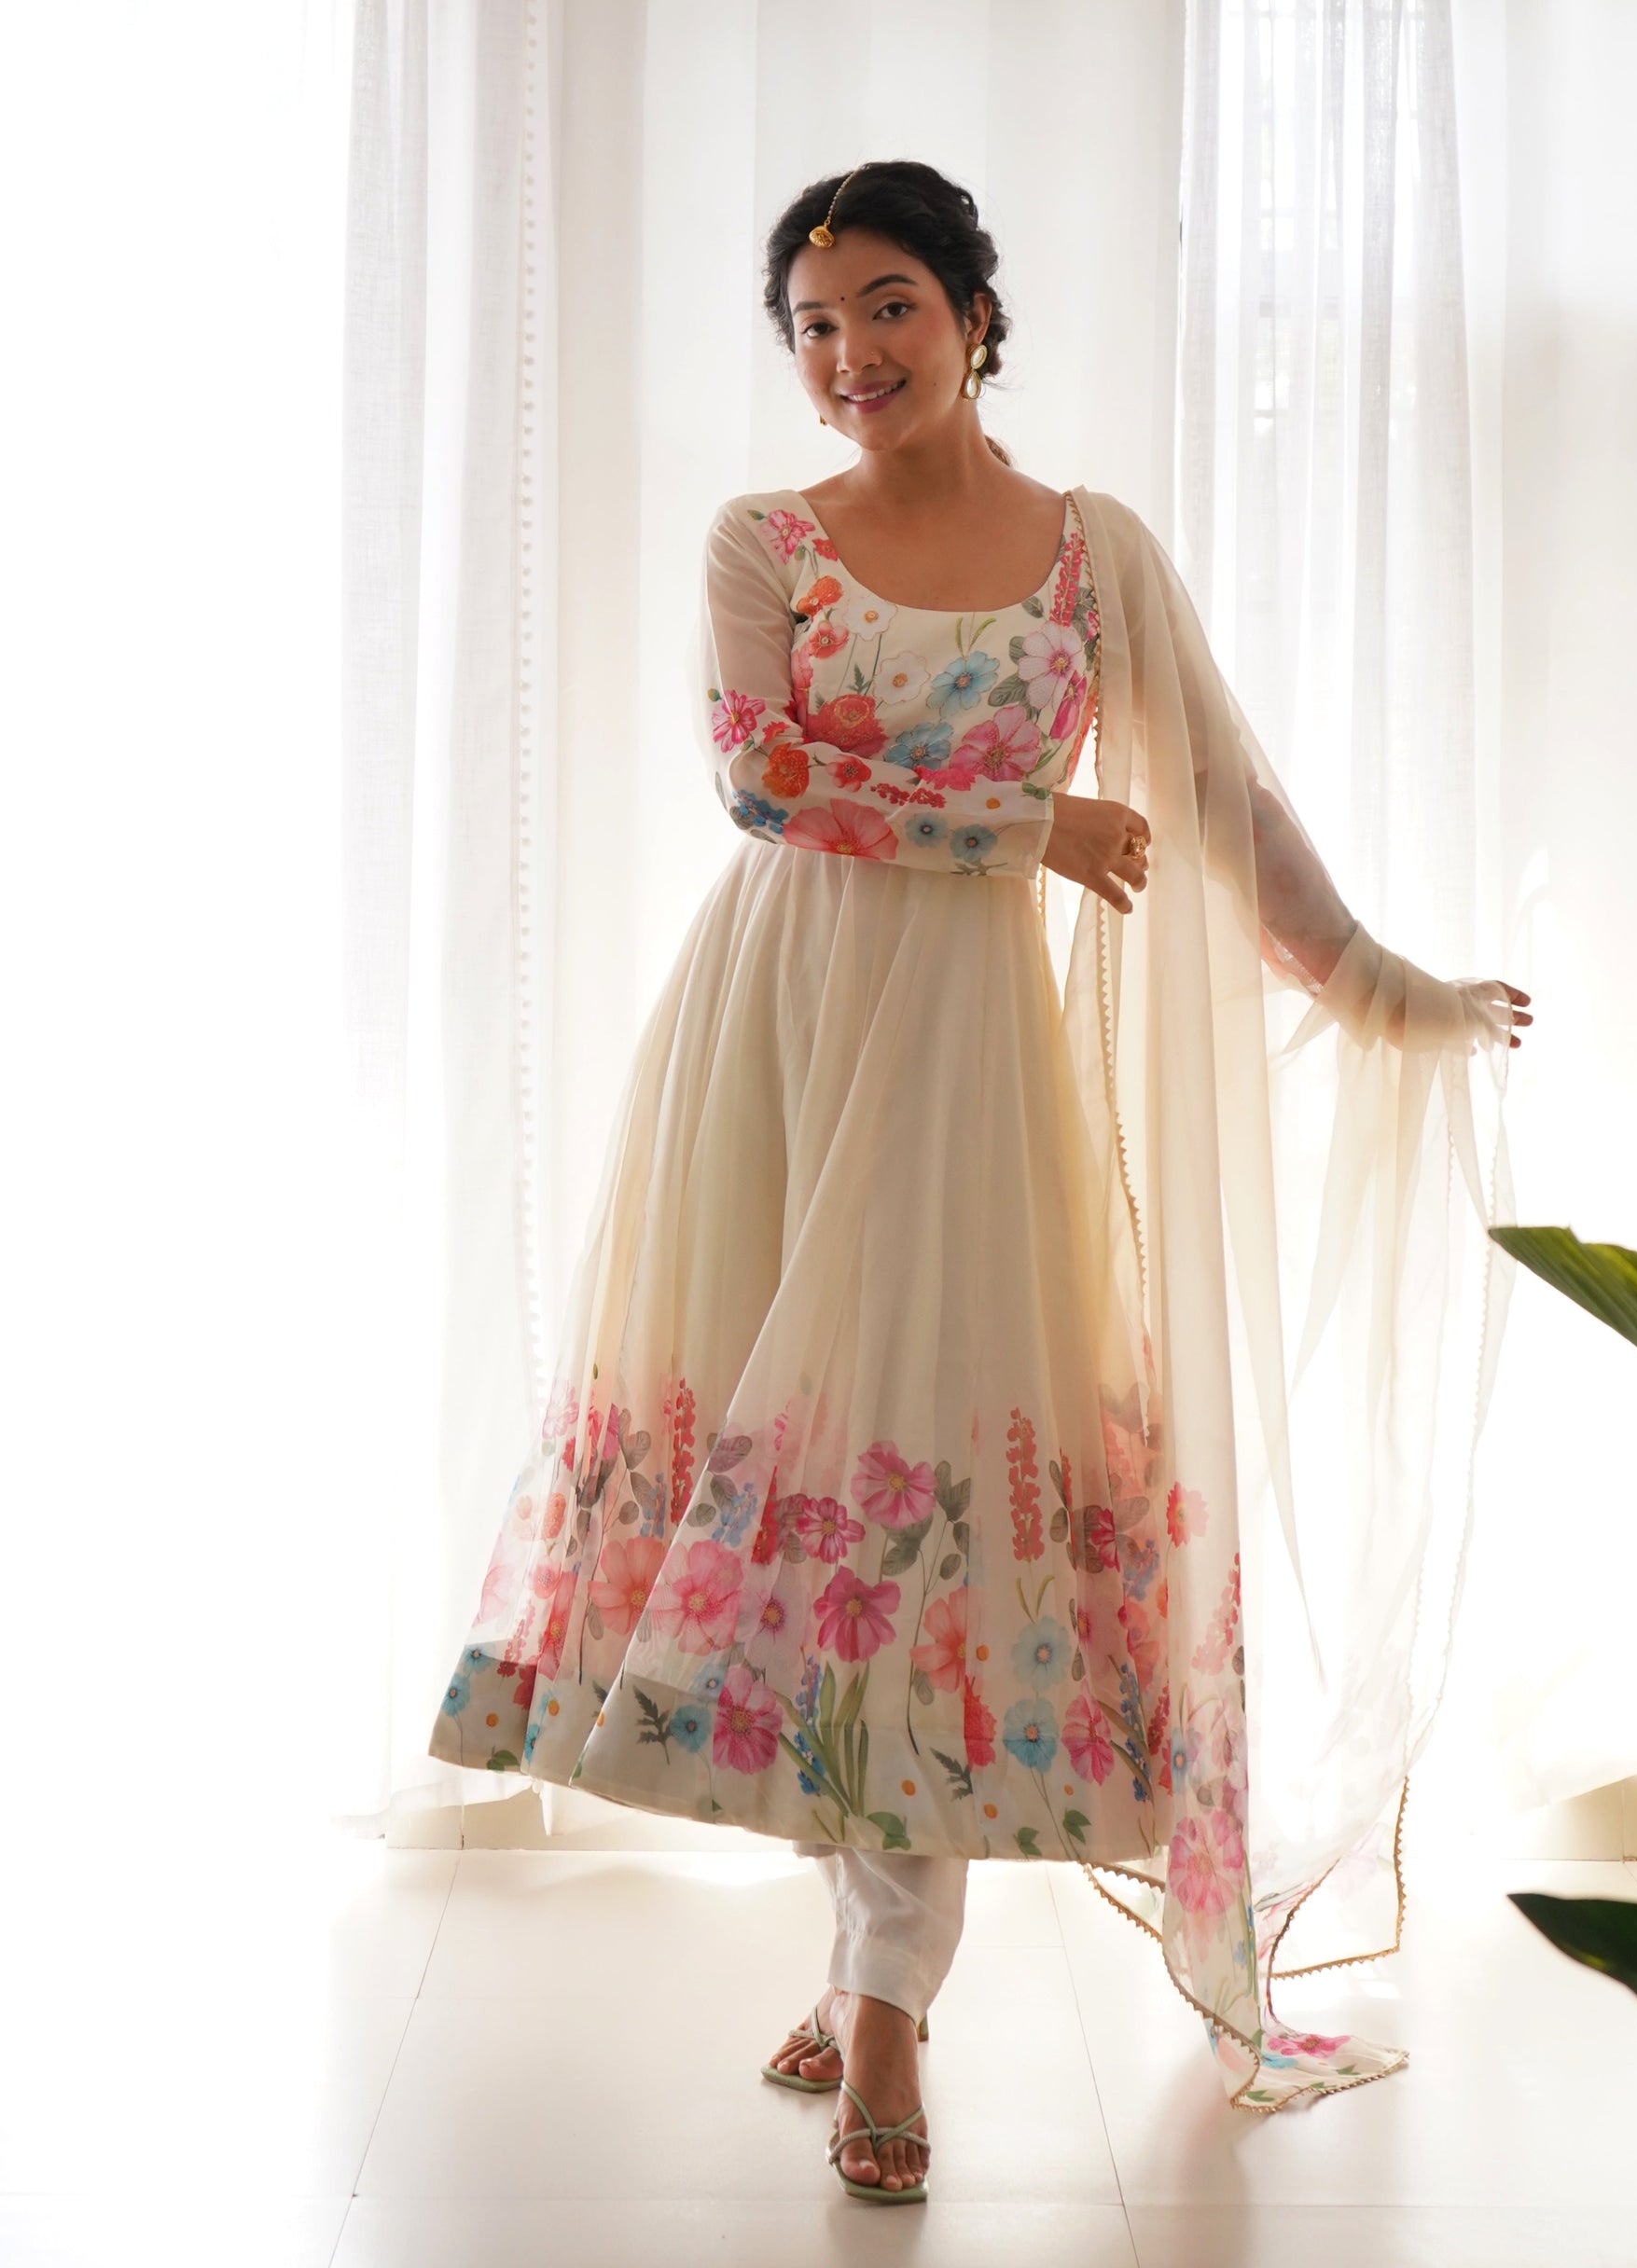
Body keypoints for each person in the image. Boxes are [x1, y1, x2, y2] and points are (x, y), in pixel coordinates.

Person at [428, 159, 1533, 2202]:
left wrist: (1378, 981)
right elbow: (760, 776)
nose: (849, 352)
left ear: (972, 317)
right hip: (771, 1035)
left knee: (919, 1501)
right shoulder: (764, 538)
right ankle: (871, 1967)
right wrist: (1026, 825)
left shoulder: (1090, 552)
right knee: (791, 1495)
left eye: (889, 307)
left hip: (965, 1073)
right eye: (814, 324)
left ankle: (881, 2002)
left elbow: (1218, 793)